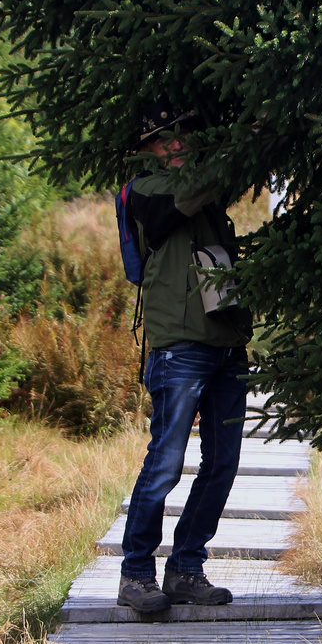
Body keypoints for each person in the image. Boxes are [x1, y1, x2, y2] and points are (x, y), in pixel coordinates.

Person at [116, 97, 255, 613]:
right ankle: (135, 575)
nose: (174, 143)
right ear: (149, 149)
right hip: (179, 347)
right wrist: (249, 139)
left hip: (226, 344)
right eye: (162, 137)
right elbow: (193, 191)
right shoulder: (148, 191)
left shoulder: (206, 189)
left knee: (223, 463)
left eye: (182, 131)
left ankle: (185, 570)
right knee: (165, 463)